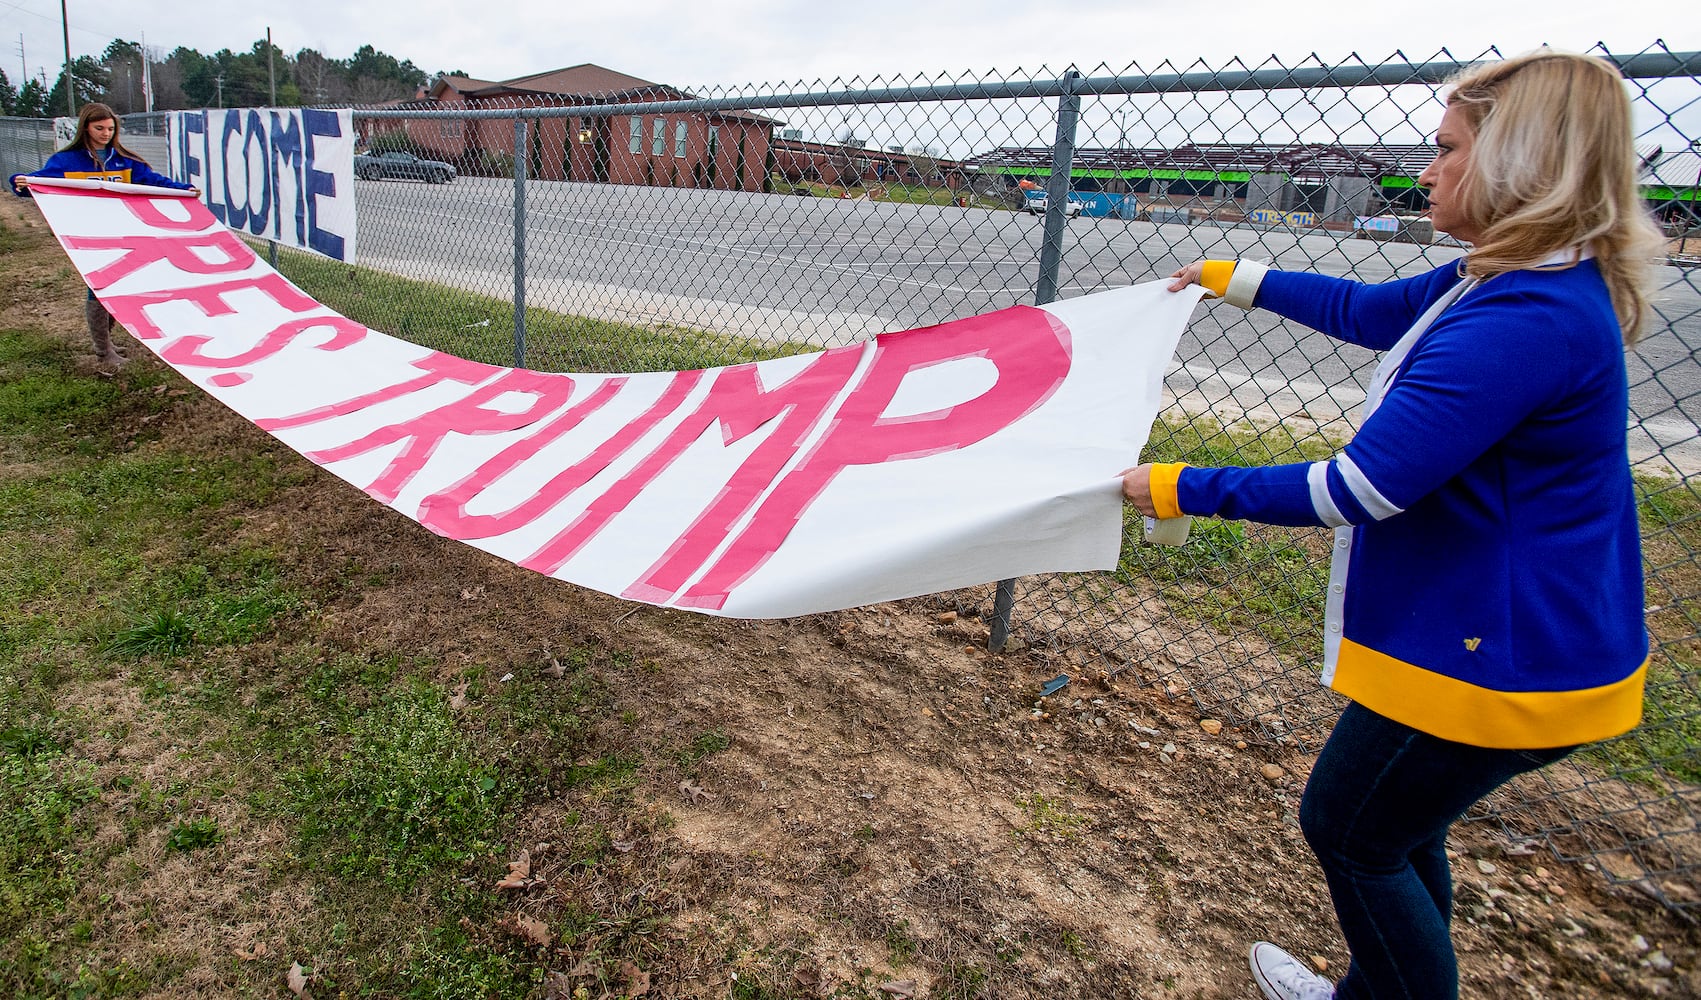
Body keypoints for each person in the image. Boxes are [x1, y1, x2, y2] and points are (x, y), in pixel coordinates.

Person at [1123, 49, 1660, 1000]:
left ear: (1517, 163)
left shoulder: (1526, 316)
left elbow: (1355, 488)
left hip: (1504, 653)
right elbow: (1371, 311)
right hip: (1500, 629)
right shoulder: (1501, 279)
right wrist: (1230, 275)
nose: (1426, 170)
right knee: (1396, 829)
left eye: (1445, 148)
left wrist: (1179, 486)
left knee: (1350, 830)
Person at [9, 102, 197, 368]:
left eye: (110, 128)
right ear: (85, 127)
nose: (105, 133)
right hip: (87, 238)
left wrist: (183, 190)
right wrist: (20, 182)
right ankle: (102, 350)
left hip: (124, 234)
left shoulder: (124, 160)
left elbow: (154, 182)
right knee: (97, 289)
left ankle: (105, 341)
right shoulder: (66, 161)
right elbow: (38, 182)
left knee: (118, 286)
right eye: (99, 128)